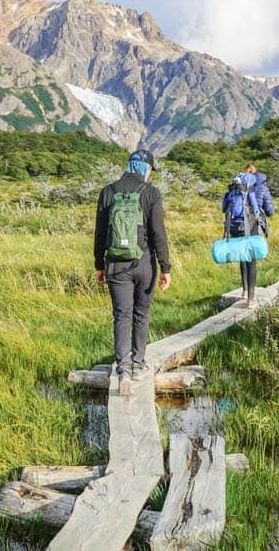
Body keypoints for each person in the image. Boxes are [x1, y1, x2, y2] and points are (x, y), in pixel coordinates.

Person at [94, 149, 171, 396]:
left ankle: (123, 369)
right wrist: (165, 268)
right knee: (141, 313)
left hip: (116, 264)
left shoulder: (109, 191)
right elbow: (159, 234)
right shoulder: (150, 193)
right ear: (146, 168)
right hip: (145, 263)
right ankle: (138, 365)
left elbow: (99, 233)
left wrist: (99, 264)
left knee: (121, 316)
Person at [222, 163, 274, 307]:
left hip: (235, 223)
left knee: (242, 256)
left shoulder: (235, 186)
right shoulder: (260, 187)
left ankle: (244, 291)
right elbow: (268, 209)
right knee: (252, 260)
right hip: (250, 223)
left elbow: (224, 207)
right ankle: (251, 299)